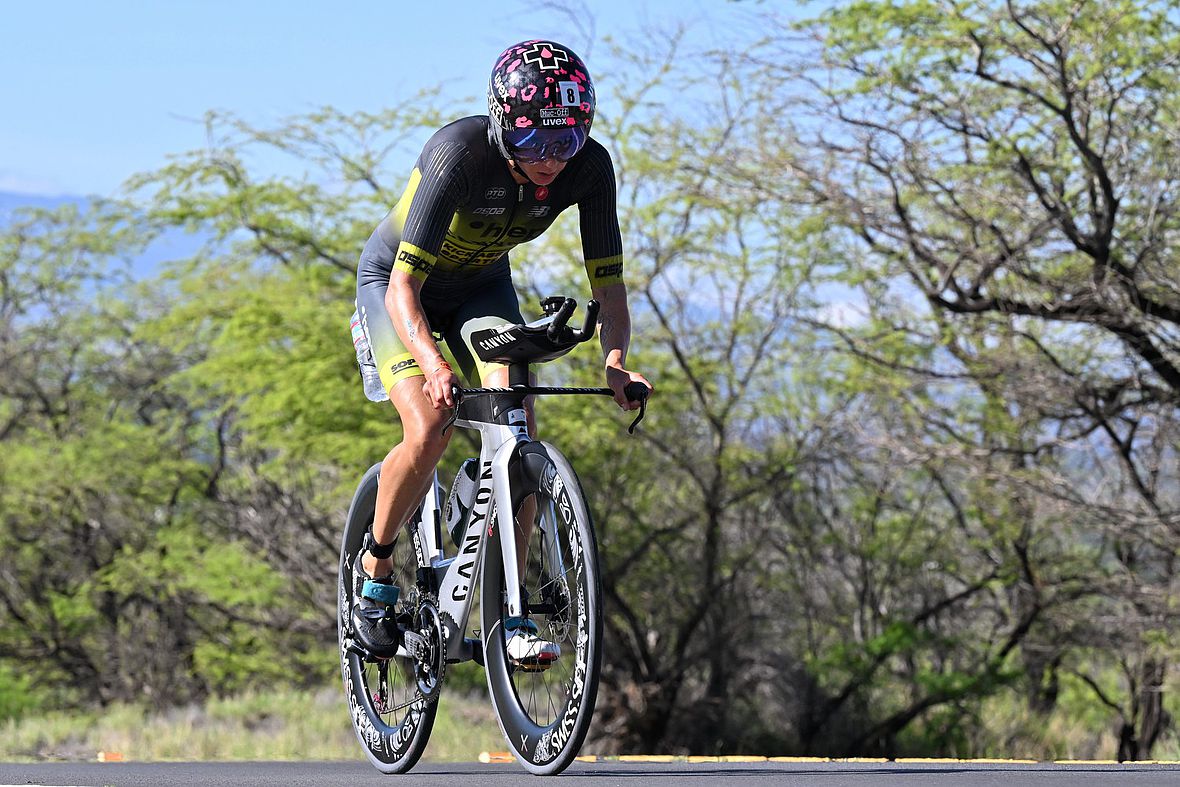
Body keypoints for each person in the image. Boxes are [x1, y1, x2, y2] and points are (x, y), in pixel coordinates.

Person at [351, 40, 652, 665]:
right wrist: (434, 364)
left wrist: (616, 360)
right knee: (431, 424)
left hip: (481, 288)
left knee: (516, 429)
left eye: (565, 142)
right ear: (502, 123)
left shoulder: (589, 169)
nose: (551, 160)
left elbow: (609, 282)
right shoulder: (456, 156)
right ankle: (376, 566)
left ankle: (513, 610)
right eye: (537, 144)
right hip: (398, 289)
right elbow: (404, 284)